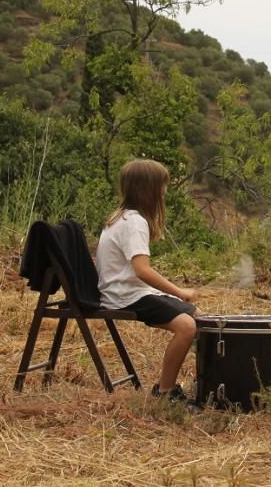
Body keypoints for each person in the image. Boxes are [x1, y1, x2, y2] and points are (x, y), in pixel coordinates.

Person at [96, 158, 201, 401]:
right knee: (186, 327)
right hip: (124, 296)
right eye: (162, 186)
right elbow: (142, 270)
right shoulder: (134, 223)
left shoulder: (122, 217)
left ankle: (204, 381)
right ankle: (165, 391)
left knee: (198, 317)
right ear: (149, 189)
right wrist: (179, 292)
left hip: (127, 291)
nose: (165, 192)